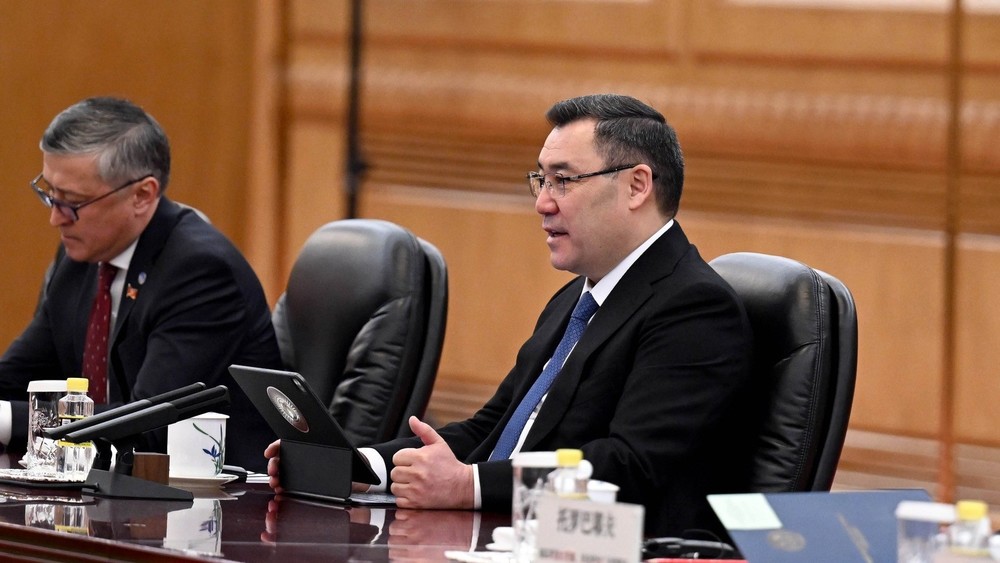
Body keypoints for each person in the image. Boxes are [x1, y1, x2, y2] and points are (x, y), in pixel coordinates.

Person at [266, 93, 755, 537]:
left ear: (636, 185)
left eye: (563, 180)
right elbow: (491, 428)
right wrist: (357, 465)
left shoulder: (694, 308)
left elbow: (629, 467)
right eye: (541, 180)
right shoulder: (577, 297)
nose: (542, 202)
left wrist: (469, 486)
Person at [0, 96, 282, 472]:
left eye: (73, 203)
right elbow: (19, 377)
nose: (56, 218)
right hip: (111, 484)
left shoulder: (200, 271)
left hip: (215, 497)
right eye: (50, 195)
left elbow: (146, 424)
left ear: (142, 195)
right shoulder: (81, 257)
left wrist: (7, 420)